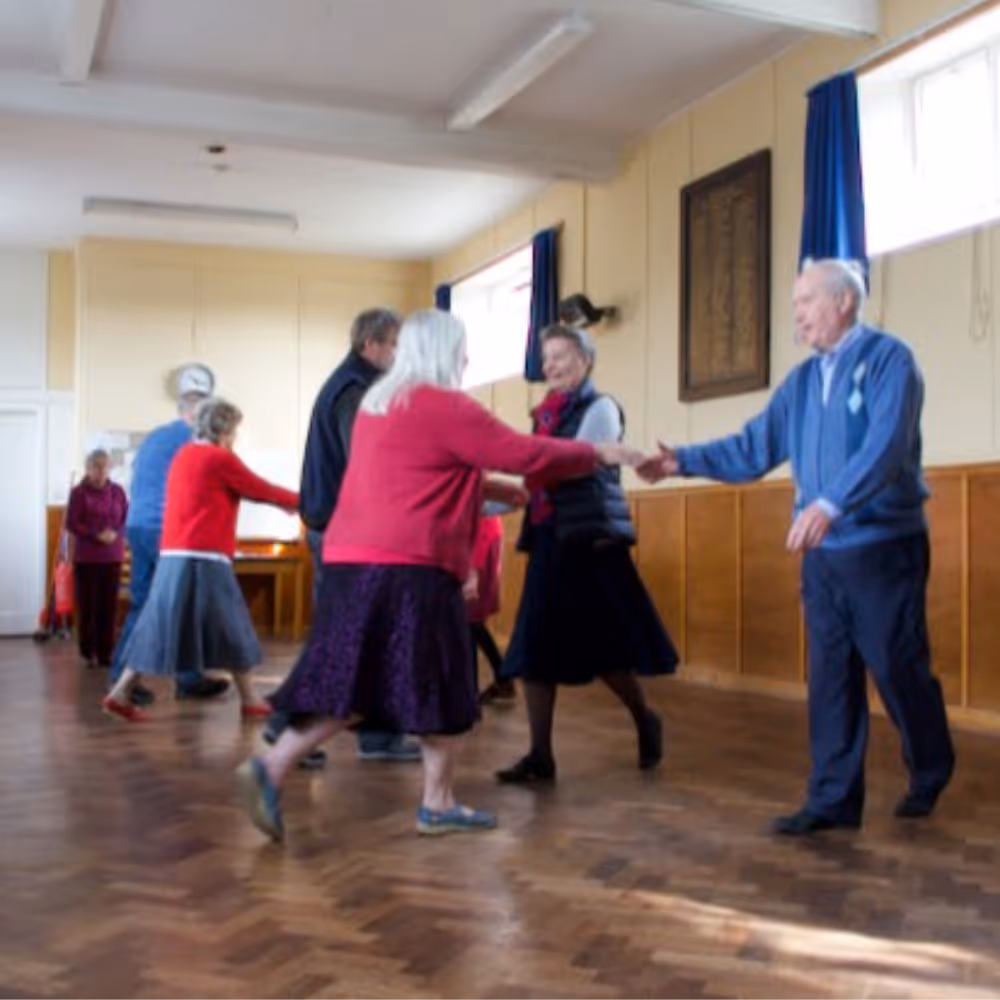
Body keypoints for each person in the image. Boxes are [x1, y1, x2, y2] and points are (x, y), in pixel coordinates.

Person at [235, 309, 645, 843]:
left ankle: (274, 765)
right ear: (443, 353)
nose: (468, 358)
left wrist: (491, 490)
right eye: (462, 349)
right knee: (442, 679)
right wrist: (599, 451)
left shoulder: (380, 406)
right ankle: (438, 802)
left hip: (351, 561)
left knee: (357, 679)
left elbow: (421, 476)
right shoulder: (444, 405)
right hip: (409, 569)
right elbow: (523, 451)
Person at [639, 258, 956, 836]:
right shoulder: (803, 383)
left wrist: (829, 503)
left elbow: (886, 450)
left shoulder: (891, 361)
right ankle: (833, 798)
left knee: (895, 665)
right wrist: (683, 459)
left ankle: (931, 767)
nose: (797, 315)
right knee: (830, 673)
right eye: (795, 304)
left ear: (844, 303)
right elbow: (754, 446)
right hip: (824, 557)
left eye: (806, 302)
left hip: (884, 547)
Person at [495, 325, 678, 787]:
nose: (552, 365)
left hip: (590, 544)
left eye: (562, 356)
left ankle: (644, 717)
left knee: (606, 650)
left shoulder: (602, 408)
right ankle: (540, 755)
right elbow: (535, 475)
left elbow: (574, 460)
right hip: (549, 538)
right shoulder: (544, 415)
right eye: (547, 357)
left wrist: (526, 460)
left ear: (586, 361)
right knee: (534, 647)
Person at [264, 307, 421, 769]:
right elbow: (368, 460)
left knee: (360, 630)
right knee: (350, 631)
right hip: (348, 529)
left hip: (336, 525)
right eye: (393, 345)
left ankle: (373, 733)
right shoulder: (357, 390)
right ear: (369, 345)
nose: (398, 355)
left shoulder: (349, 383)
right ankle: (292, 725)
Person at [103, 398, 299, 722]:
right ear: (223, 429)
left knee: (160, 627)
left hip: (174, 555)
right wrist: (304, 502)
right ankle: (250, 699)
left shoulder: (184, 456)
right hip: (204, 556)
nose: (235, 437)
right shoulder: (218, 458)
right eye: (234, 430)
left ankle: (120, 692)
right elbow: (258, 488)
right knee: (232, 626)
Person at [109, 386, 229, 706]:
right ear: (193, 413)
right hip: (166, 529)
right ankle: (188, 679)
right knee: (185, 602)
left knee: (143, 602)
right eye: (207, 413)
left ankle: (122, 674)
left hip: (138, 525)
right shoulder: (192, 439)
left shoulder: (153, 438)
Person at [66, 449, 128, 668]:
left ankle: (106, 652)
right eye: (96, 467)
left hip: (112, 557)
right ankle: (88, 651)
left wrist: (115, 533)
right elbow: (72, 523)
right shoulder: (78, 493)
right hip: (87, 559)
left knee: (108, 608)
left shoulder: (118, 492)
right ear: (88, 469)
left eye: (105, 466)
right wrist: (96, 534)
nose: (101, 471)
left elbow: (125, 519)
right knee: (89, 607)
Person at [465, 502, 520, 705]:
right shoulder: (488, 510)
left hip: (478, 567)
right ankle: (502, 679)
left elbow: (482, 537)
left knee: (470, 625)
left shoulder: (484, 508)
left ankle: (470, 696)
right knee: (473, 626)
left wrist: (473, 572)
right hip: (479, 565)